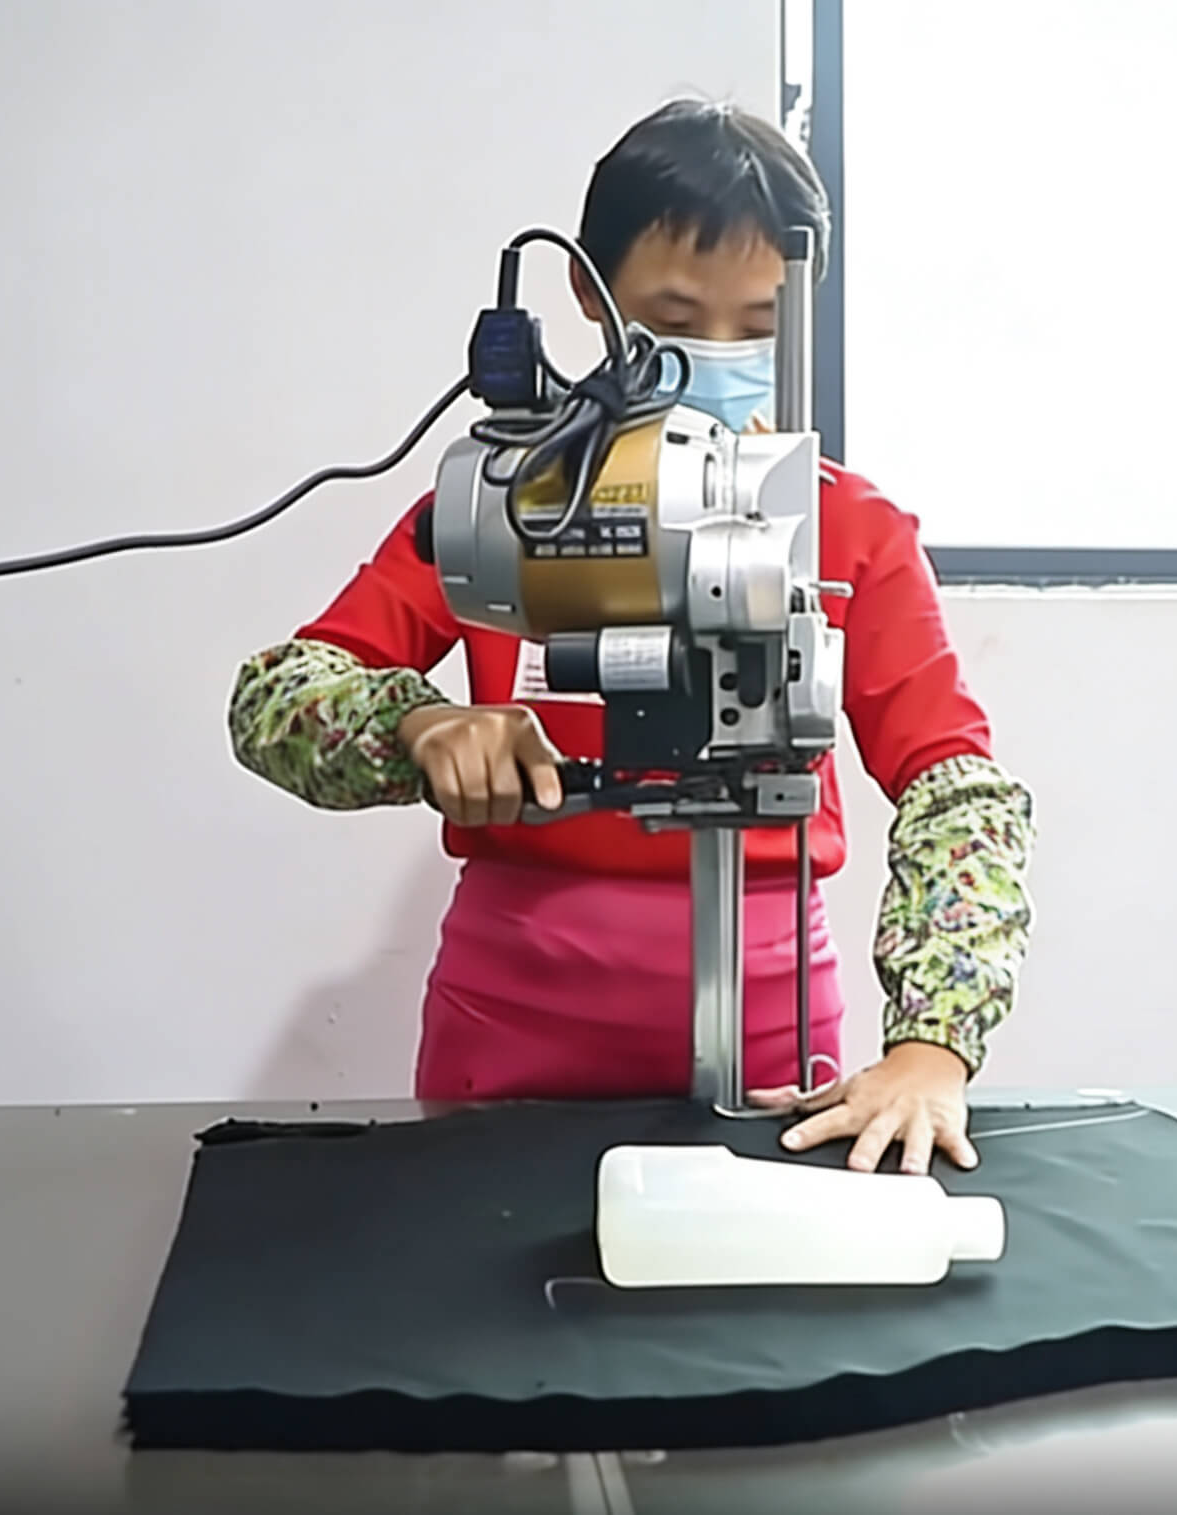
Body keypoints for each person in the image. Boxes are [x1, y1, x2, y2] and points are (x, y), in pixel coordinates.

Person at [229, 98, 1035, 1176]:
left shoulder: (848, 530)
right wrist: (416, 724)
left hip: (774, 1053)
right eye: (676, 314)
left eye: (759, 323)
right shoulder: (504, 510)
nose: (719, 353)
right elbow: (276, 695)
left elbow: (959, 789)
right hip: (507, 1042)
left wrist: (933, 1046)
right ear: (589, 291)